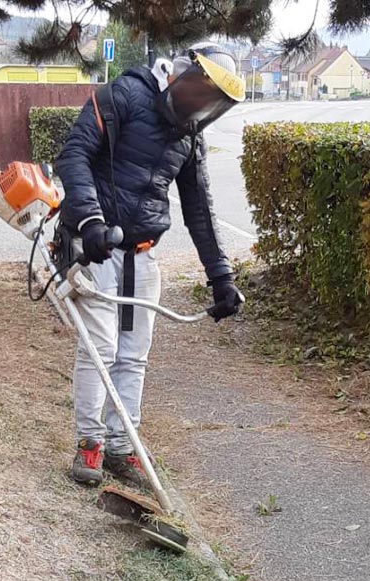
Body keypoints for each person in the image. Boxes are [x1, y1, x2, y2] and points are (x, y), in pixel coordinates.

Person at [54, 43, 245, 487]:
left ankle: (123, 445)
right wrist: (90, 219)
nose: (201, 105)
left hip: (141, 252)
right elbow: (74, 155)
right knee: (101, 347)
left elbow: (198, 205)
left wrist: (221, 276)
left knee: (134, 355)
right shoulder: (124, 95)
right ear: (182, 75)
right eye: (201, 92)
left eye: (212, 102)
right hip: (95, 244)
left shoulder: (189, 133)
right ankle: (90, 443)